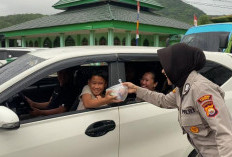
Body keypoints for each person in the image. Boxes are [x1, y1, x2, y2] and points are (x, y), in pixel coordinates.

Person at [123, 43, 232, 157]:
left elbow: (225, 133)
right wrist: (136, 89)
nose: (163, 71)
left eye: (166, 66)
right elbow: (163, 100)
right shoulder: (182, 88)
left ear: (178, 66)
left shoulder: (201, 89)